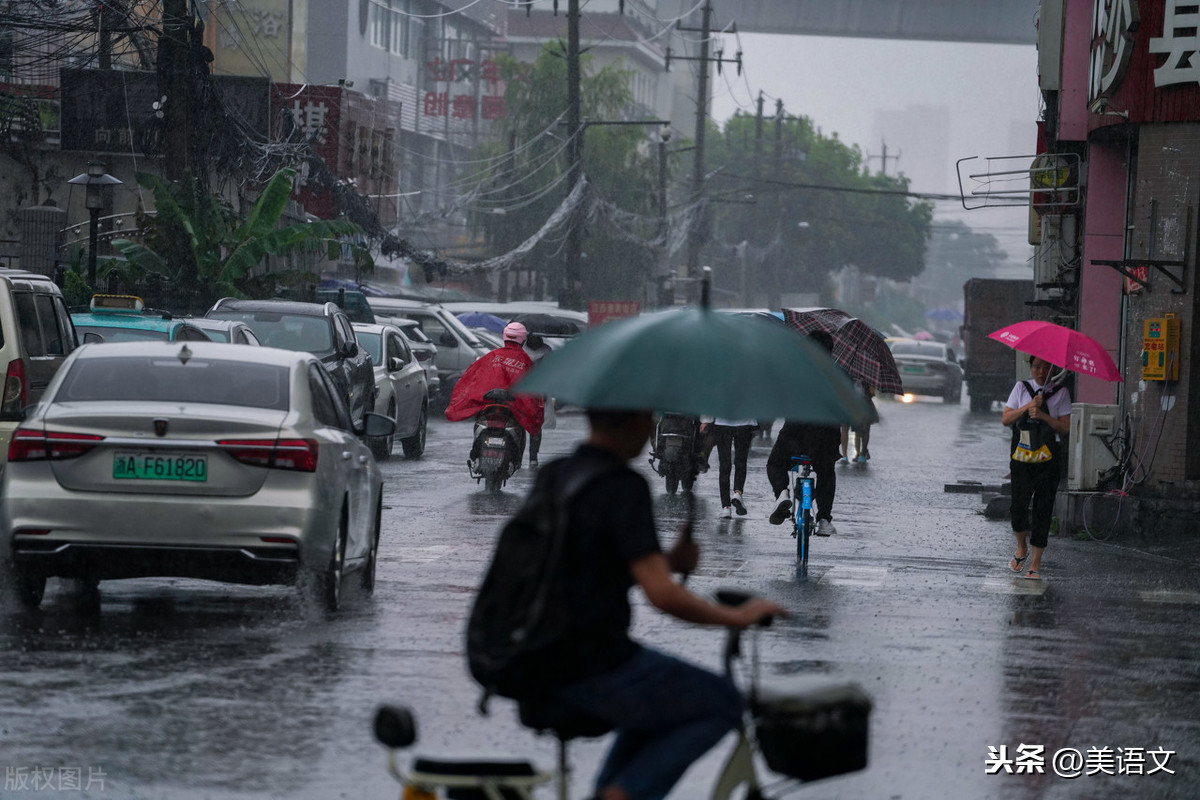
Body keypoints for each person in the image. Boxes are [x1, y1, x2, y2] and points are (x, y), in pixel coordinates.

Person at [537, 408, 787, 800]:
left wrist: (669, 561)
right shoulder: (621, 485)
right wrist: (736, 616)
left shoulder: (555, 474)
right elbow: (663, 595)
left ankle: (611, 789)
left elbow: (584, 560)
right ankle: (620, 794)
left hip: (524, 646)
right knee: (722, 702)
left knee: (656, 705)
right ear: (637, 424)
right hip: (583, 656)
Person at [1001, 355, 1071, 580]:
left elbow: (1064, 428)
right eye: (1037, 367)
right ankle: (1021, 548)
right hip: (1022, 459)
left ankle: (1035, 564)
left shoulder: (1061, 392)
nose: (1041, 371)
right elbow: (1006, 419)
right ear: (1030, 368)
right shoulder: (1021, 388)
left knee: (1043, 510)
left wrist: (1042, 414)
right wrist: (1028, 406)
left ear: (1053, 368)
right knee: (1018, 509)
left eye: (1046, 367)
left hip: (1048, 462)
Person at [766, 331, 842, 536]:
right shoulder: (839, 374)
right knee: (826, 472)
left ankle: (782, 493)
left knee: (774, 463)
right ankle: (824, 518)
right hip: (826, 438)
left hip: (796, 434)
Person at [445, 322, 544, 467]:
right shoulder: (526, 363)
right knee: (530, 424)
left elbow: (469, 379)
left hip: (489, 406)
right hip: (513, 409)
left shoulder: (491, 356)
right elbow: (532, 393)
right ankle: (531, 460)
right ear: (523, 339)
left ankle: (476, 455)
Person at [699, 417, 757, 518]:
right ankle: (738, 492)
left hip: (722, 423)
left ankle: (726, 508)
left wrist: (705, 420)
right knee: (740, 461)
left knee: (724, 464)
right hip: (745, 422)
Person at [839, 382, 876, 463]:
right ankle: (845, 456)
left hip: (863, 405)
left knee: (863, 430)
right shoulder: (848, 375)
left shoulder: (868, 379)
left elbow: (872, 393)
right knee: (845, 428)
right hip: (848, 403)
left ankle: (861, 453)